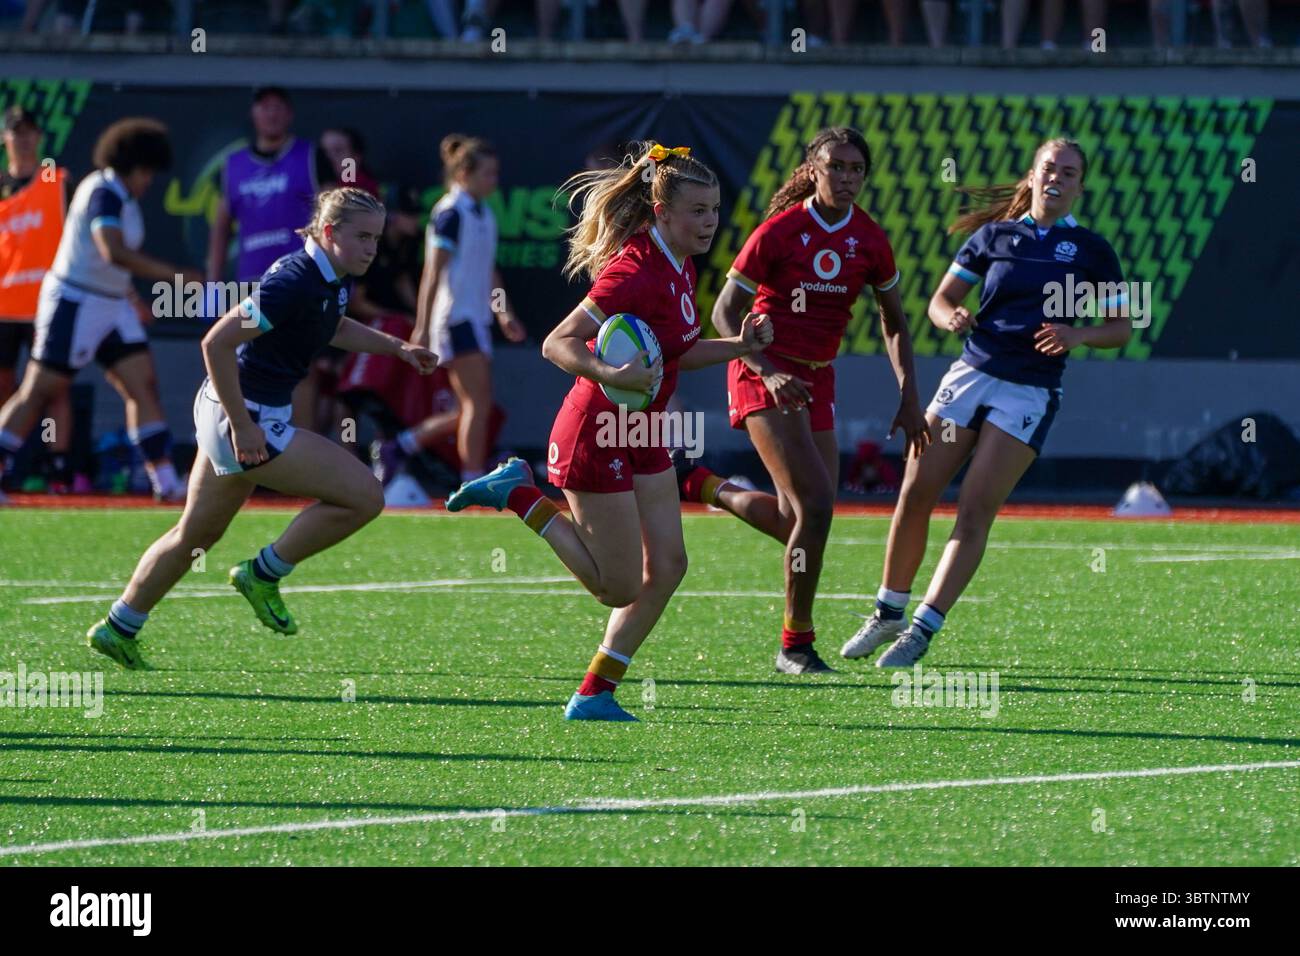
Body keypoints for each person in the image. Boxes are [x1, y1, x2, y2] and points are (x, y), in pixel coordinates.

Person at [444, 142, 773, 721]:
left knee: (668, 565)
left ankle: (595, 693)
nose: (710, 221)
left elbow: (677, 351)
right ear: (663, 211)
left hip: (643, 430)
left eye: (715, 209)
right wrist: (609, 370)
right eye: (697, 211)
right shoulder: (634, 269)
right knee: (616, 587)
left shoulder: (680, 262)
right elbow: (557, 342)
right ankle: (520, 493)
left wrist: (740, 346)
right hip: (595, 432)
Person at [85, 187, 439, 670]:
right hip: (244, 416)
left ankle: (119, 625)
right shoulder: (295, 279)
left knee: (195, 533)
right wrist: (243, 425)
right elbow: (216, 343)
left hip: (238, 412)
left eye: (376, 239)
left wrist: (397, 348)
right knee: (365, 497)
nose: (371, 249)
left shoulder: (332, 276)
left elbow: (333, 327)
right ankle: (263, 573)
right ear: (330, 232)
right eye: (362, 237)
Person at [842, 138, 1129, 667]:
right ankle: (888, 612)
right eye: (1049, 168)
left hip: (1029, 389)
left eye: (1069, 173)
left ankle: (924, 627)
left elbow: (1122, 328)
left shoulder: (1093, 250)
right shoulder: (993, 236)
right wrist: (948, 314)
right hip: (972, 374)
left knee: (974, 509)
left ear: (1080, 186)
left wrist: (1079, 335)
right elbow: (940, 299)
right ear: (1031, 173)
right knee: (915, 487)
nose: (1057, 178)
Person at [681, 126, 928, 674]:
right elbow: (724, 313)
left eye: (855, 168)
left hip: (817, 380)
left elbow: (895, 323)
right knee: (816, 506)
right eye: (835, 166)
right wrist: (763, 369)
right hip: (761, 373)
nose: (846, 177)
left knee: (802, 516)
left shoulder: (869, 239)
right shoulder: (780, 231)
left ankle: (704, 486)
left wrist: (911, 398)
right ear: (812, 170)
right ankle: (795, 644)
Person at [0, 118, 196, 503]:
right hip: (75, 302)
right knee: (40, 390)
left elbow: (110, 264)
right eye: (147, 172)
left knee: (143, 384)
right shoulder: (103, 192)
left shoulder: (123, 197)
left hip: (111, 304)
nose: (149, 181)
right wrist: (175, 275)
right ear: (135, 166)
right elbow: (113, 251)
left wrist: (132, 299)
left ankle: (166, 482)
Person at [397, 135, 524, 486]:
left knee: (471, 407)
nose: (494, 181)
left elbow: (489, 271)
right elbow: (432, 273)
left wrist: (503, 312)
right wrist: (422, 329)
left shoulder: (483, 215)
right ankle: (471, 482)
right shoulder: (450, 213)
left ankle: (403, 445)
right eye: (488, 174)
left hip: (476, 320)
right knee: (479, 406)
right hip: (455, 320)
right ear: (464, 173)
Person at [0, 105, 73, 494]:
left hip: (46, 302)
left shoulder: (55, 179)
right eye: (16, 132)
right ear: (5, 138)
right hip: (3, 306)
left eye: (30, 131)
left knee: (53, 388)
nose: (24, 138)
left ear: (40, 137)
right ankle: (8, 465)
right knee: (7, 390)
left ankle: (58, 470)